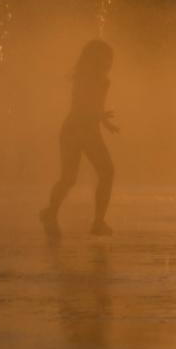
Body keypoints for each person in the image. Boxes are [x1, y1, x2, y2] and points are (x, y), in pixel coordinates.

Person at [40, 39, 119, 237]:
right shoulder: (91, 79)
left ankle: (51, 212)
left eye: (110, 58)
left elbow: (94, 106)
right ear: (96, 58)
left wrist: (105, 121)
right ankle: (97, 223)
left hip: (73, 129)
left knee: (69, 178)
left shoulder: (93, 79)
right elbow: (85, 105)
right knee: (105, 172)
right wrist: (100, 117)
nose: (109, 62)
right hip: (83, 130)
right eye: (106, 57)